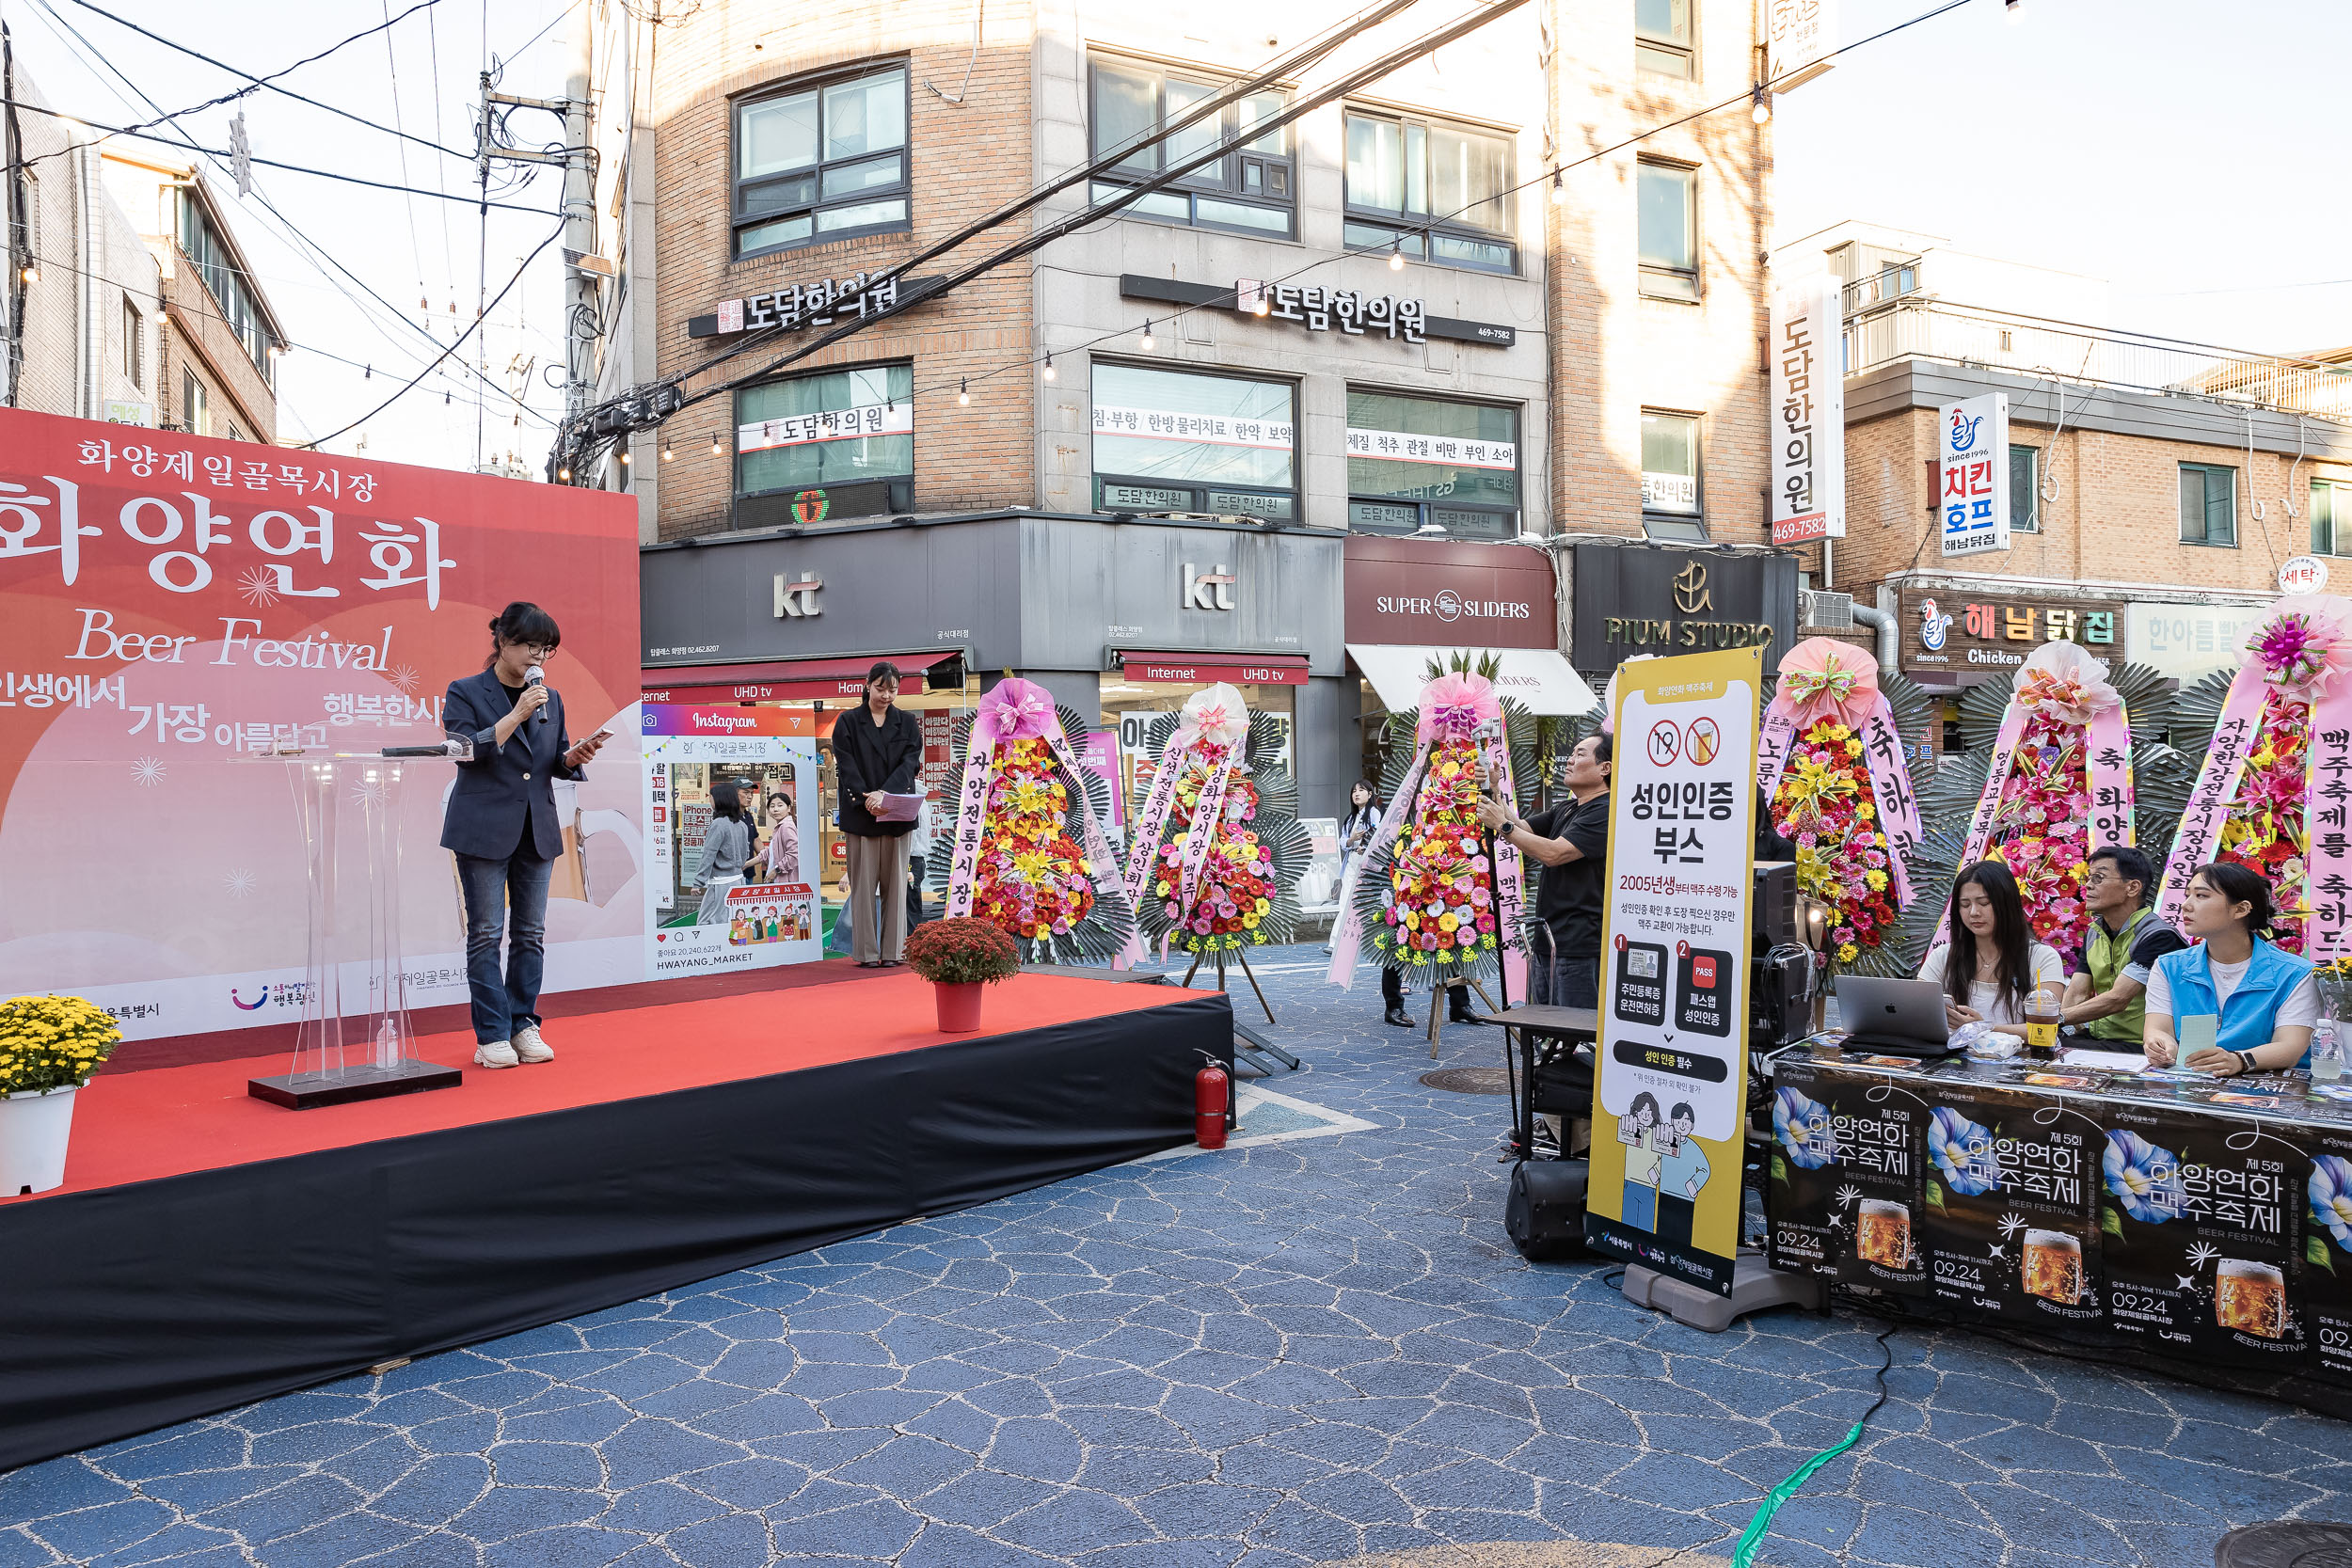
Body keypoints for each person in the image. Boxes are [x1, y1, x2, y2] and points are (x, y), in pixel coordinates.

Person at [440, 601, 608, 1069]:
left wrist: (575, 758)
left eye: (547, 650)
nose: (539, 657)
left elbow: (552, 758)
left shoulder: (550, 699)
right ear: (503, 641)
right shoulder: (466, 691)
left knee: (530, 935)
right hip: (482, 829)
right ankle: (491, 1035)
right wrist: (515, 713)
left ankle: (523, 1025)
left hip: (537, 828)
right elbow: (465, 751)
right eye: (531, 646)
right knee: (486, 935)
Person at [1478, 732, 1613, 1009]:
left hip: (1579, 944)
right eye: (1572, 753)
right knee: (1543, 1027)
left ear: (1605, 768)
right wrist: (1495, 792)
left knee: (1573, 1031)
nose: (1570, 760)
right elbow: (1523, 828)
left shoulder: (1605, 811)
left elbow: (1553, 853)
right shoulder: (1568, 807)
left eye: (1580, 754)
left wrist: (1502, 827)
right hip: (1548, 940)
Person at [2145, 863, 2319, 1075]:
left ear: (2241, 909)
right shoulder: (2168, 966)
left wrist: (2239, 1060)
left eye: (2201, 896)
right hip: (2193, 1083)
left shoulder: (2296, 974)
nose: (2186, 905)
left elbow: (2289, 1047)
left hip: (2270, 1092)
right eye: (2187, 895)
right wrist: (2161, 1046)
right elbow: (2158, 1028)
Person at [832, 661, 923, 966]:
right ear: (868, 684)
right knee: (863, 886)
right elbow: (845, 765)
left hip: (897, 812)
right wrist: (867, 797)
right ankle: (867, 953)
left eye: (893, 690)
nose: (886, 695)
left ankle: (894, 952)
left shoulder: (908, 722)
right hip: (861, 814)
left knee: (896, 887)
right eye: (881, 688)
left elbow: (910, 763)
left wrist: (886, 794)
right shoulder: (847, 722)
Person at [1917, 861, 2065, 1039]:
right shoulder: (1943, 956)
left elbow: (2045, 1029)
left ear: (2007, 903)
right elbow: (1916, 1013)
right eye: (1965, 905)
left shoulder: (2042, 957)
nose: (1974, 912)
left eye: (1984, 903)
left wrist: (1981, 1028)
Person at [2061, 846, 2186, 1044]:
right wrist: (2057, 1030)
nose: (2088, 886)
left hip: (2144, 1045)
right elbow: (2077, 993)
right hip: (2099, 1039)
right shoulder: (2094, 932)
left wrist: (2054, 1019)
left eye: (2099, 878)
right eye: (2088, 878)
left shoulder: (2159, 936)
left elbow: (2118, 999)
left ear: (2133, 887)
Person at [1327, 782, 1380, 958]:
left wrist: (1363, 846)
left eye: (1361, 790)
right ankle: (1336, 941)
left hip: (1367, 863)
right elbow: (1343, 842)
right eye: (1354, 791)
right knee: (1345, 900)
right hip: (1351, 861)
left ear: (1370, 794)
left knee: (1365, 901)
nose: (1356, 794)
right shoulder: (1351, 818)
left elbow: (1377, 835)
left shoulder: (1373, 813)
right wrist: (1351, 840)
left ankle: (1365, 940)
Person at [692, 782, 753, 926]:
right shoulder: (742, 825)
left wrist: (698, 882)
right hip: (738, 880)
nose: (709, 800)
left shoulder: (718, 824)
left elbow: (709, 854)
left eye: (711, 797)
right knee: (732, 919)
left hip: (720, 882)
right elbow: (746, 854)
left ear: (719, 799)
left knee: (707, 922)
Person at [1656, 1101, 1709, 1250]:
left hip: (1685, 1197)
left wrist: (1694, 1185)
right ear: (1672, 1122)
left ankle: (1681, 1255)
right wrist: (1656, 1173)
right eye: (1679, 1120)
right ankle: (1662, 1252)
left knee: (1683, 1230)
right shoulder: (1668, 1142)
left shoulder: (1693, 1147)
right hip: (1665, 1192)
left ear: (1692, 1125)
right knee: (1663, 1226)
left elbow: (1705, 1169)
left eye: (1687, 1121)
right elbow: (1661, 1160)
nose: (1683, 1124)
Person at [906, 794, 935, 927]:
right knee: (912, 903)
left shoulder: (912, 800)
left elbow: (911, 834)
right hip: (917, 859)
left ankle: (910, 941)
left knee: (909, 905)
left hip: (911, 858)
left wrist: (904, 859)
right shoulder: (921, 799)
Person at [762, 790, 800, 883]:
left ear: (789, 808)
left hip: (787, 881)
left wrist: (776, 870)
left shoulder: (786, 826)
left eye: (780, 805)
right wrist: (746, 864)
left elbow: (794, 852)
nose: (775, 809)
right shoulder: (781, 826)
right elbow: (769, 853)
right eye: (772, 806)